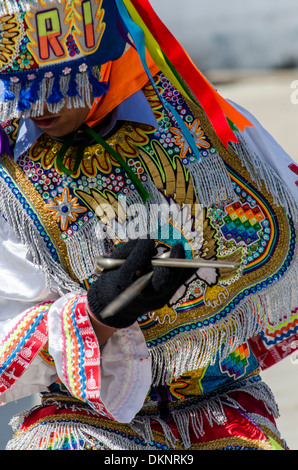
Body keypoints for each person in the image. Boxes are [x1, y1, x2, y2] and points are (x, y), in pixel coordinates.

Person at [0, 0, 297, 451]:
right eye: (19, 89)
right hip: (82, 417)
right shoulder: (10, 176)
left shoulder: (199, 120)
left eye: (59, 85)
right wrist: (97, 316)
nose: (36, 107)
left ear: (100, 61)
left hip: (221, 400)